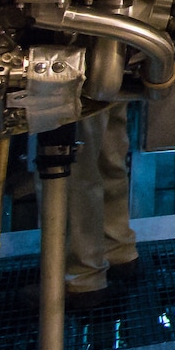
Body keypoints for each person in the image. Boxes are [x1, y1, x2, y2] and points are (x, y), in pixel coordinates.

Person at [62, 103, 139, 309]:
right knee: (109, 149)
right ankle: (117, 250)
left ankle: (82, 277)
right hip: (114, 73)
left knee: (75, 166)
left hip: (72, 77)